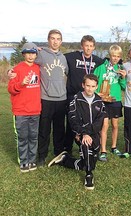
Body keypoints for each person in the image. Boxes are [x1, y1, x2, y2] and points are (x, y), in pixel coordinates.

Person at [48, 74, 107, 190]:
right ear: (83, 85)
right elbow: (73, 119)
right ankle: (89, 176)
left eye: (93, 86)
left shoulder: (99, 101)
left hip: (94, 134)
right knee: (86, 145)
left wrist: (89, 133)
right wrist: (83, 133)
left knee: (89, 161)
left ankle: (65, 160)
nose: (90, 89)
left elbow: (99, 121)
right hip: (80, 135)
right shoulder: (75, 100)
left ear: (96, 87)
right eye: (88, 86)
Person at [64, 35, 104, 155]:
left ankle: (86, 144)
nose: (88, 48)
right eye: (86, 45)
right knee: (71, 122)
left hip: (87, 97)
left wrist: (121, 62)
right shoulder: (72, 56)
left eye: (91, 46)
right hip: (72, 95)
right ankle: (67, 148)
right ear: (82, 46)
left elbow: (108, 61)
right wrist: (42, 51)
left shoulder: (97, 60)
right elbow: (57, 56)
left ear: (94, 47)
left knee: (86, 121)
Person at [35, 29, 68, 166]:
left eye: (58, 39)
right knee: (44, 129)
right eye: (53, 38)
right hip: (46, 98)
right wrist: (11, 71)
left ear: (61, 41)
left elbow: (67, 73)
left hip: (61, 98)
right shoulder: (41, 55)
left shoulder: (63, 58)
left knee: (59, 129)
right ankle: (42, 156)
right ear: (48, 40)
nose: (55, 41)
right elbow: (27, 63)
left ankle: (58, 153)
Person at [7, 42, 41, 172]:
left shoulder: (38, 68)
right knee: (22, 137)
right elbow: (10, 89)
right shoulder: (17, 69)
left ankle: (32, 161)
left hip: (35, 110)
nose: (31, 56)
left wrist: (40, 49)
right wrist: (20, 84)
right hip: (20, 111)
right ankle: (23, 161)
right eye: (28, 53)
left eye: (33, 53)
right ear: (23, 54)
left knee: (33, 137)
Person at [94, 44, 126, 161]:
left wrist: (123, 78)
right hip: (103, 101)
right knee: (104, 125)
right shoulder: (101, 67)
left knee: (115, 125)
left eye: (118, 56)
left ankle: (114, 146)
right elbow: (94, 82)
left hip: (115, 100)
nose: (115, 58)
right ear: (110, 55)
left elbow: (123, 87)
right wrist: (97, 93)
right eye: (113, 56)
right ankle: (103, 150)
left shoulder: (121, 68)